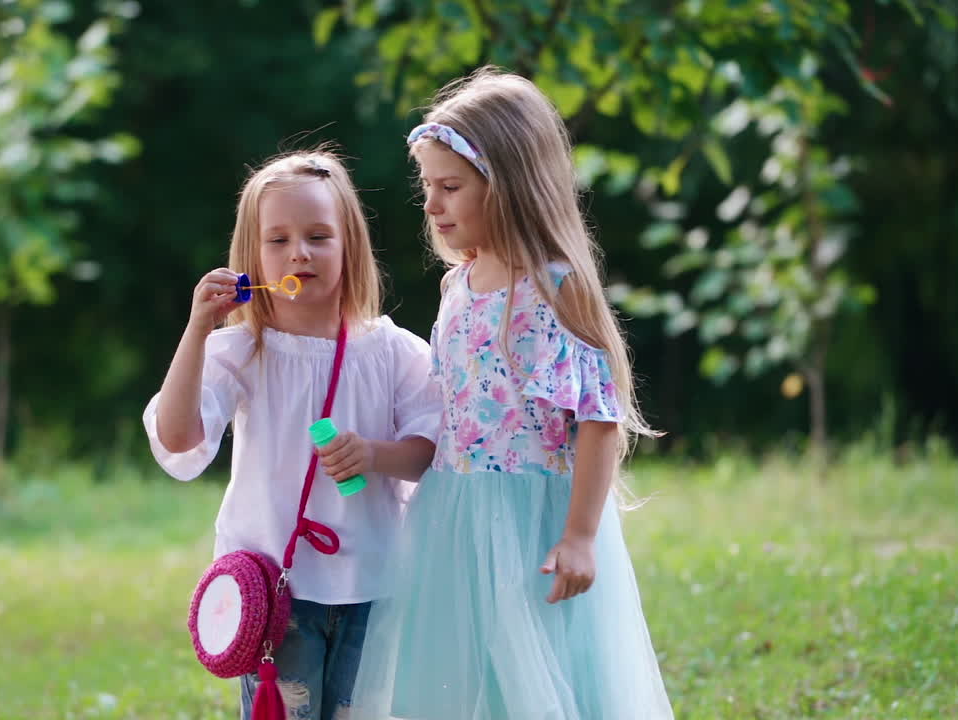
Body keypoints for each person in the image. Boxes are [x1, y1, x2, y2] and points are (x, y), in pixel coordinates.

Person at [349, 69, 674, 719]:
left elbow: (598, 418)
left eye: (450, 187)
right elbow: (450, 419)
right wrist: (381, 457)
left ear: (511, 185)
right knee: (458, 672)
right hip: (453, 514)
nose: (432, 205)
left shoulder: (553, 287)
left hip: (532, 519)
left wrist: (580, 534)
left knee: (538, 669)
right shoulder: (457, 289)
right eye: (427, 189)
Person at [143, 149, 440, 720]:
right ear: (251, 256)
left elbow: (430, 452)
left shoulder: (391, 350)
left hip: (372, 587)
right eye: (277, 240)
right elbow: (178, 438)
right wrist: (198, 328)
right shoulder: (241, 349)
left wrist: (374, 453)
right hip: (277, 595)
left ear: (350, 244)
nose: (299, 252)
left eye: (318, 236)